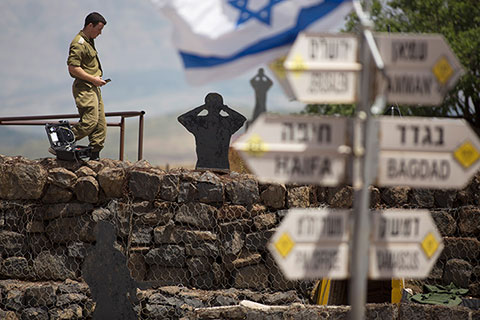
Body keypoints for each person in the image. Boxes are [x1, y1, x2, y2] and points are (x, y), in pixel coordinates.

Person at [64, 12, 109, 161]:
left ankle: (94, 156)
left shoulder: (88, 40)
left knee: (100, 125)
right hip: (84, 87)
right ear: (90, 25)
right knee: (90, 122)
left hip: (93, 87)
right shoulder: (79, 43)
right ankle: (63, 139)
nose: (100, 33)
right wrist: (93, 79)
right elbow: (73, 68)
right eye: (99, 29)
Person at [178, 93, 246, 170]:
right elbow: (241, 119)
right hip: (221, 167)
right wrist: (225, 108)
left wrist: (202, 107)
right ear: (221, 106)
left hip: (203, 167)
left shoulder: (199, 122)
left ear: (207, 105)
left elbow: (183, 118)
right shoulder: (227, 123)